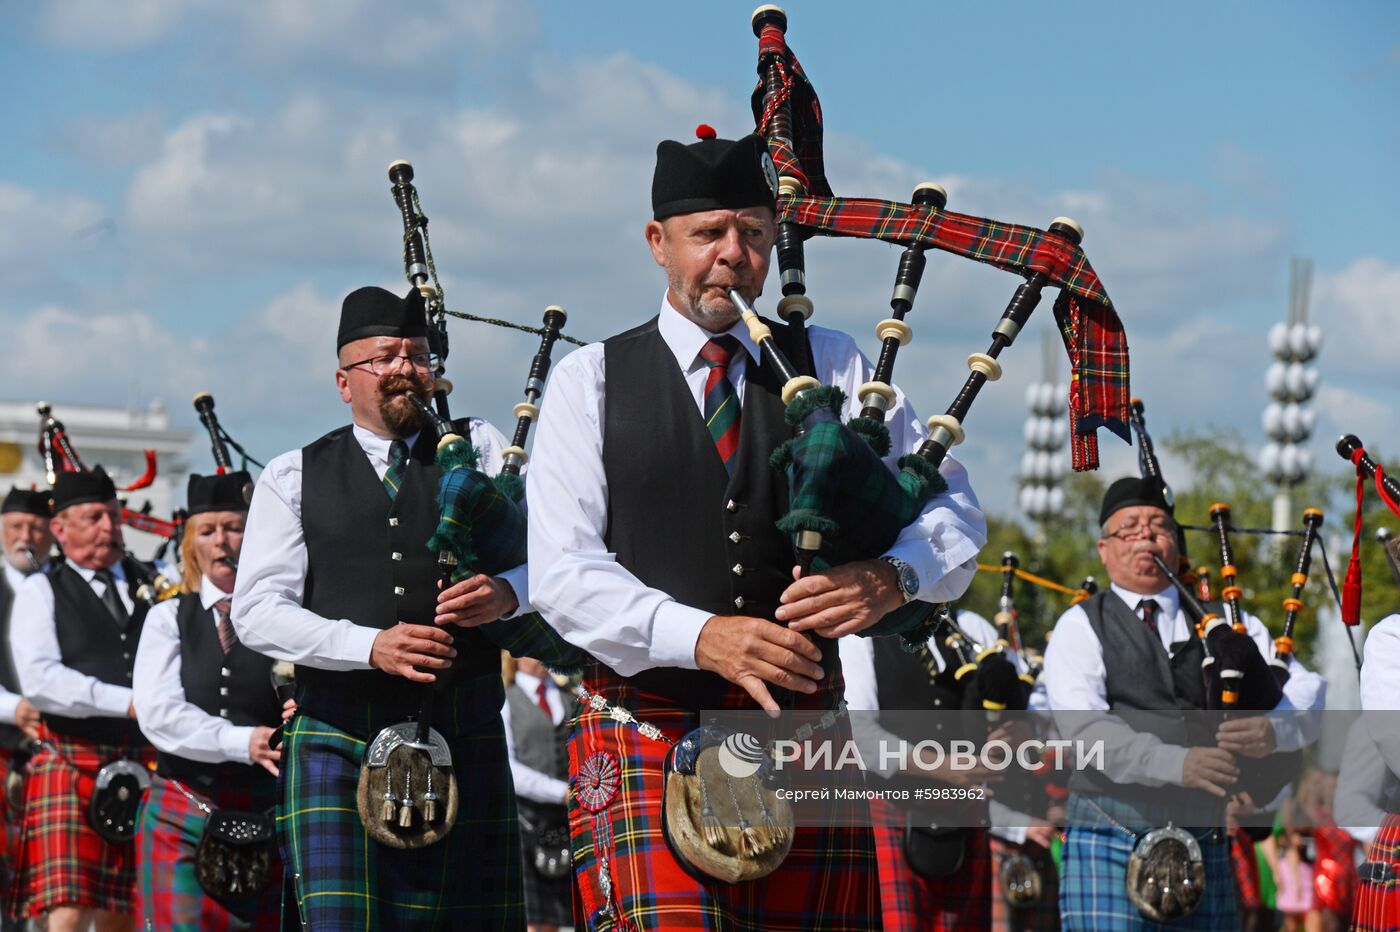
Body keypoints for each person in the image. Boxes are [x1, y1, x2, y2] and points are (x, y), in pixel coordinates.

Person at [527, 128, 986, 931]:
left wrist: (893, 577)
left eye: (752, 232)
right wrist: (704, 637)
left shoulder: (838, 367)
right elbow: (564, 574)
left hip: (804, 734)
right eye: (708, 234)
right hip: (646, 719)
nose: (732, 255)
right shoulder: (589, 380)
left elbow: (953, 511)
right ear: (658, 244)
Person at [232, 285, 533, 928]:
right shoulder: (294, 475)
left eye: (417, 355)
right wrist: (368, 645)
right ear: (344, 382)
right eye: (384, 356)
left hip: (467, 729)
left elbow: (553, 557)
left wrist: (511, 592)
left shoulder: (480, 448)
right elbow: (256, 609)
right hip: (339, 736)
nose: (404, 368)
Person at [1043, 477, 1326, 930]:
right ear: (1103, 549)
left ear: (1176, 542)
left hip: (1203, 833)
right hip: (1108, 829)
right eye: (1129, 529)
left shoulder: (1227, 623)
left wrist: (1276, 729)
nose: (1146, 537)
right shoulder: (1080, 624)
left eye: (1159, 527)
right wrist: (1177, 763)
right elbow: (1086, 732)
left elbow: (1310, 692)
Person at [131, 471, 288, 930]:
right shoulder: (166, 619)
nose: (223, 542)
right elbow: (159, 714)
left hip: (267, 809)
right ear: (191, 545)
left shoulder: (285, 618)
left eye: (234, 527)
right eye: (208, 530)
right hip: (184, 805)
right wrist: (244, 741)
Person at [7, 468, 157, 932]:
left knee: (125, 913)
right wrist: (130, 701)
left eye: (113, 516)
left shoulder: (155, 582)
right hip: (71, 761)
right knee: (67, 911)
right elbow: (41, 680)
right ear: (60, 529)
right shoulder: (41, 591)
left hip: (145, 761)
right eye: (93, 517)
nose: (109, 528)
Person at [1, 486, 53, 930]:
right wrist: (12, 707)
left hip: (58, 752)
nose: (26, 536)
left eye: (36, 527)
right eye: (16, 526)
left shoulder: (64, 589)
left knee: (54, 876)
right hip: (2, 746)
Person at [501, 656, 573, 932]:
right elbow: (510, 769)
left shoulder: (570, 698)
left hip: (570, 822)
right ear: (516, 655)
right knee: (535, 922)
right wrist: (561, 792)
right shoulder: (506, 700)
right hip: (526, 824)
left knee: (575, 914)